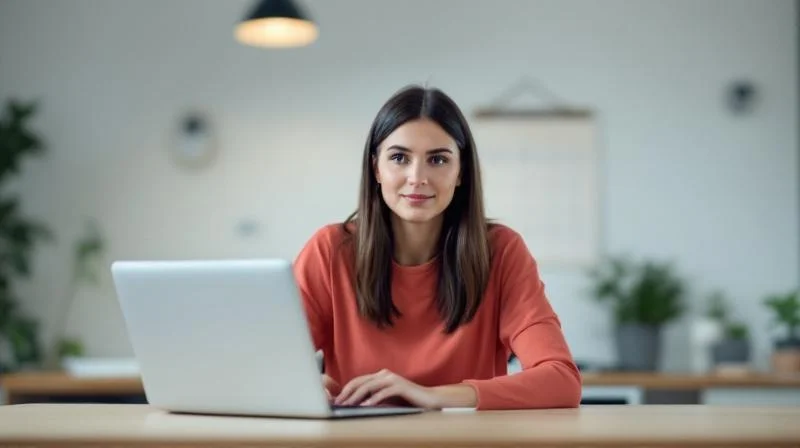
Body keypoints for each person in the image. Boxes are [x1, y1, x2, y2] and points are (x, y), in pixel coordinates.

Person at [292, 84, 582, 411]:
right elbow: (266, 366)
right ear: (376, 168)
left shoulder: (501, 251)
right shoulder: (330, 250)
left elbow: (561, 380)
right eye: (399, 158)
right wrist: (302, 383)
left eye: (438, 159)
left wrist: (433, 396)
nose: (417, 177)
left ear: (461, 172)